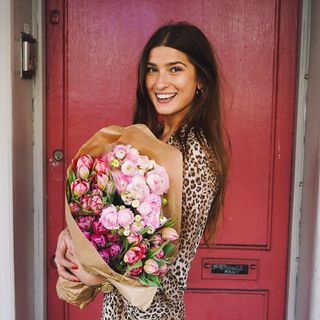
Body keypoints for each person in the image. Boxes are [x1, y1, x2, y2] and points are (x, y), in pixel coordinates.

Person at [55, 21, 229, 319]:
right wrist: (73, 238)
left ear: (201, 79)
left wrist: (99, 275)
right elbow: (125, 233)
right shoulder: (157, 139)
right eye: (152, 69)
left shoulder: (193, 155)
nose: (159, 83)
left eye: (175, 69)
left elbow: (169, 264)